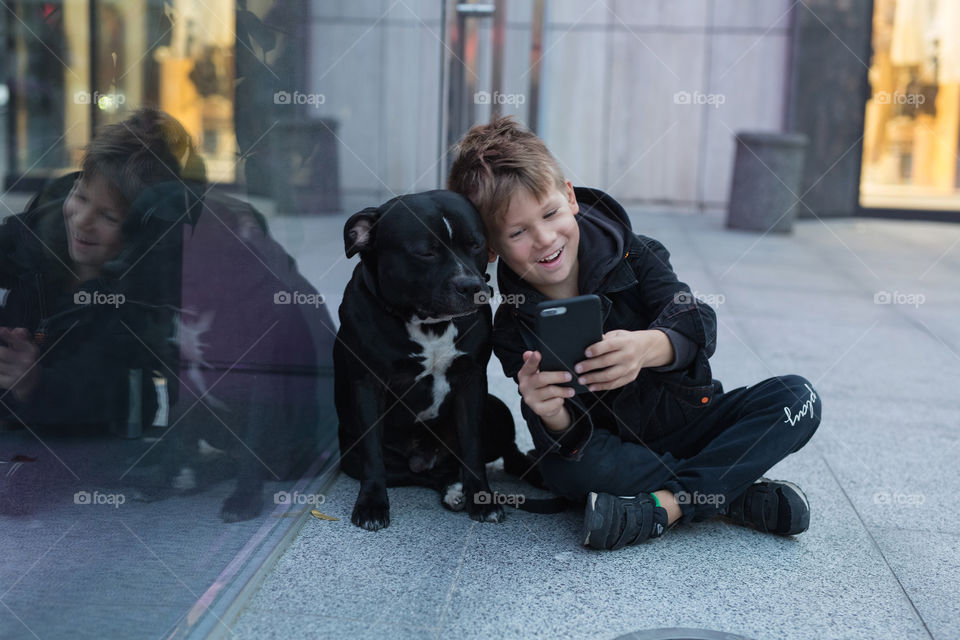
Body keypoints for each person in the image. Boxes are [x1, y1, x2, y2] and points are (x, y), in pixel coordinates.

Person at [447, 117, 822, 550]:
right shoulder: (512, 327)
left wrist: (648, 347)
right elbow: (571, 440)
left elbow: (697, 321)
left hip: (691, 422)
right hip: (615, 454)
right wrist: (548, 412)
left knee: (798, 398)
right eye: (517, 232)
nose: (545, 238)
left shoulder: (636, 254)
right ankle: (727, 492)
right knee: (568, 471)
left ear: (569, 197)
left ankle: (663, 507)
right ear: (492, 248)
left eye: (549, 213)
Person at [0, 107, 199, 429]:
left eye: (108, 217)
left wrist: (34, 383)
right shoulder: (38, 233)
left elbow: (116, 401)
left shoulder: (135, 304)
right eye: (79, 197)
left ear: (140, 234)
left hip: (87, 458)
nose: (82, 221)